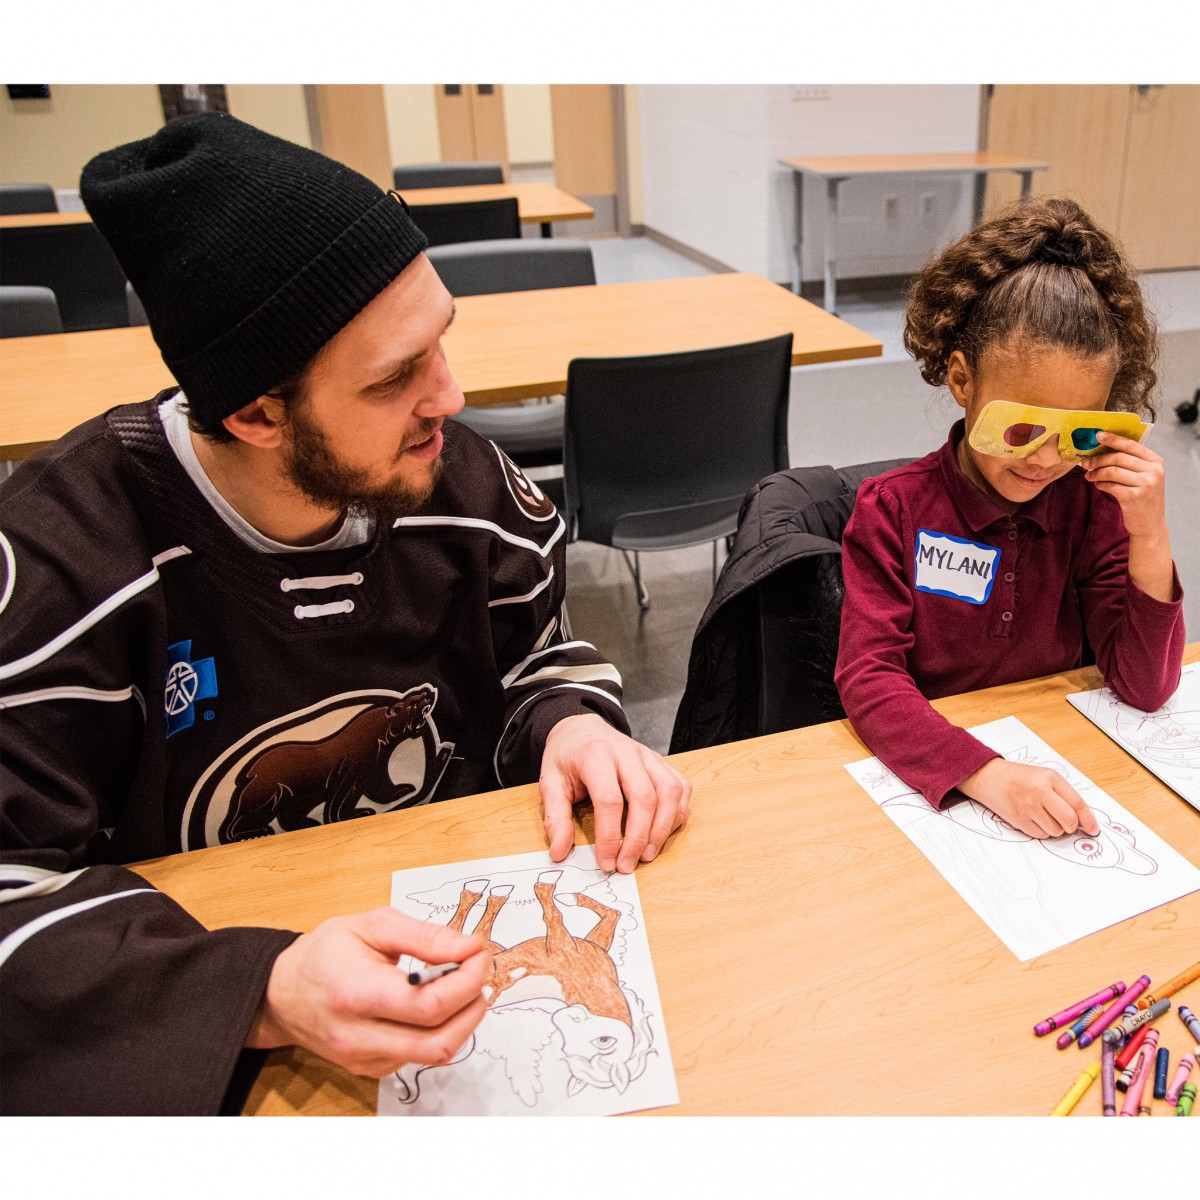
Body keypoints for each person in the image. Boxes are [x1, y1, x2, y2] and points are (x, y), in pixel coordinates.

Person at [0, 113, 689, 1115]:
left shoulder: (466, 489)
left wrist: (573, 720)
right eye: (393, 377)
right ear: (256, 414)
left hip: (455, 999)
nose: (451, 399)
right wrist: (261, 994)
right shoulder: (67, 568)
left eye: (439, 344)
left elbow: (535, 656)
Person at [835, 196, 1185, 840]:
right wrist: (985, 773)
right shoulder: (893, 510)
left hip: (1059, 751)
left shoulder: (1090, 506)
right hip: (938, 773)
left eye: (1078, 432)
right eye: (1021, 426)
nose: (1046, 459)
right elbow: (869, 675)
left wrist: (1150, 533)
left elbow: (1145, 685)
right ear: (963, 381)